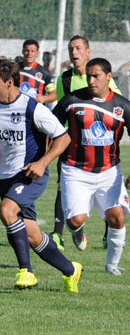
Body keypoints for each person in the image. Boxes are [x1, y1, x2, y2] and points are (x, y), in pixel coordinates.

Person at [0, 59, 82, 292]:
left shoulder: (33, 108)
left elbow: (64, 138)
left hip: (31, 175)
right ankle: (71, 270)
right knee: (32, 236)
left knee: (6, 210)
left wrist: (42, 163)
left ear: (10, 82)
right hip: (6, 179)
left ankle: (26, 272)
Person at [52, 58, 129, 276]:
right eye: (88, 76)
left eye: (96, 76)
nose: (91, 80)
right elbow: (50, 125)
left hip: (109, 171)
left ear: (109, 76)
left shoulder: (122, 106)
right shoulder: (71, 100)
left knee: (117, 217)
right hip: (75, 170)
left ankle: (112, 265)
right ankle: (77, 232)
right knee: (75, 220)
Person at [19, 39, 56, 104]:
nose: (29, 54)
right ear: (22, 51)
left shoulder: (44, 73)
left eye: (32, 51)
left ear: (37, 53)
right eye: (27, 51)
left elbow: (54, 94)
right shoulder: (14, 69)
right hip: (15, 110)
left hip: (35, 111)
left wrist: (44, 98)